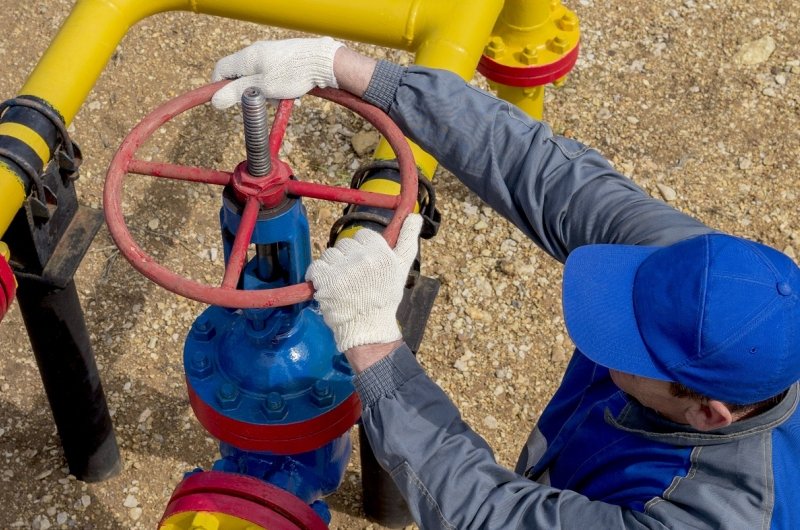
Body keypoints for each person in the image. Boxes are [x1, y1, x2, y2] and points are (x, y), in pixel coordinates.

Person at [210, 38, 800, 529]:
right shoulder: (705, 286)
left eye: (627, 346)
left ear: (708, 416)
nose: (599, 330)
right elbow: (541, 170)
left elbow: (493, 513)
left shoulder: (710, 515)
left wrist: (370, 340)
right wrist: (346, 67)